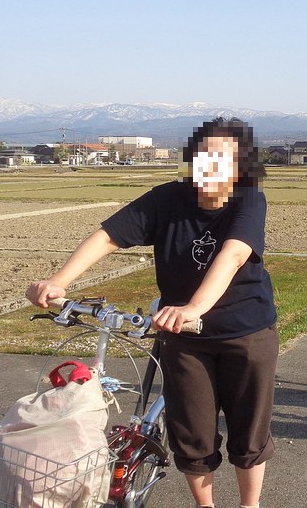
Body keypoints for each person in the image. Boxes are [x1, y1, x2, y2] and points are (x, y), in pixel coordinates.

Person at [26, 117, 277, 508]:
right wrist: (59, 281)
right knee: (191, 435)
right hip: (182, 338)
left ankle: (250, 505)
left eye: (224, 159)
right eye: (203, 156)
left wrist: (194, 307)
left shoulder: (249, 200)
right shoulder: (167, 199)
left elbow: (233, 254)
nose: (211, 166)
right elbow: (108, 236)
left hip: (245, 332)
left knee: (249, 433)